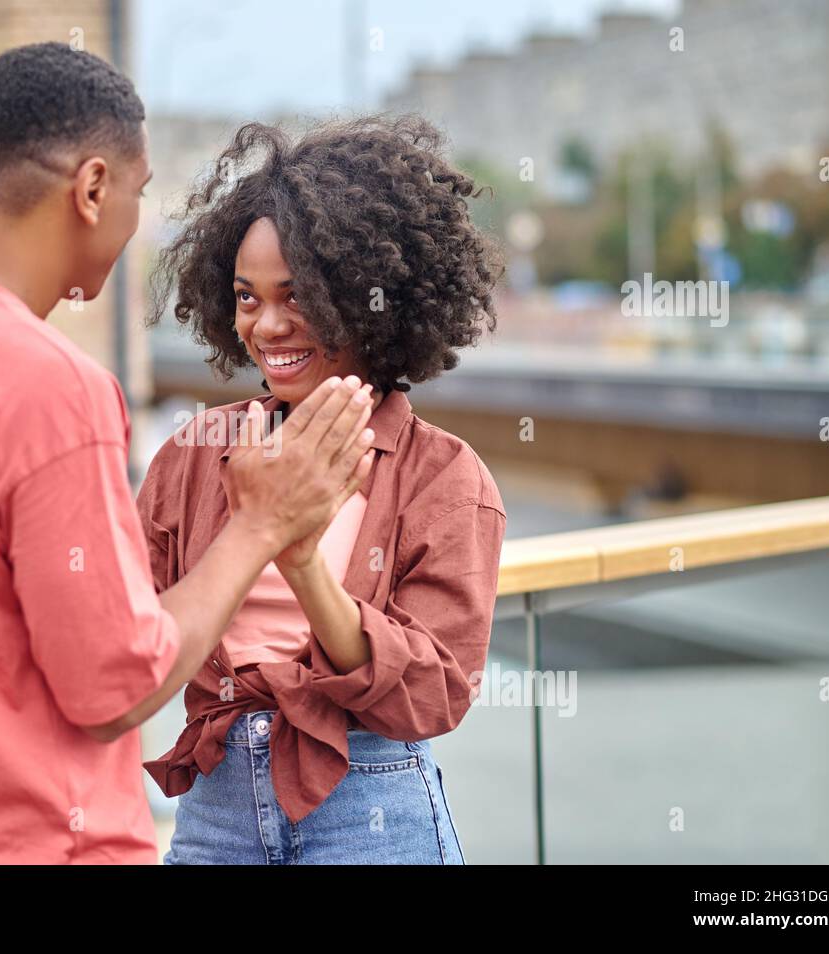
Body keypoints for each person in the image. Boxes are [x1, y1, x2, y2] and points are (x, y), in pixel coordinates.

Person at [0, 42, 374, 864]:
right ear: (93, 188)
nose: (138, 223)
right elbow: (114, 684)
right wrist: (261, 525)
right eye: (140, 191)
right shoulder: (52, 385)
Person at [139, 116, 507, 864]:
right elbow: (119, 640)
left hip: (371, 804)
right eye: (247, 297)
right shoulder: (189, 457)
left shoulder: (446, 477)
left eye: (298, 294)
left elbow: (437, 692)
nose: (268, 325)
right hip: (215, 807)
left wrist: (304, 565)